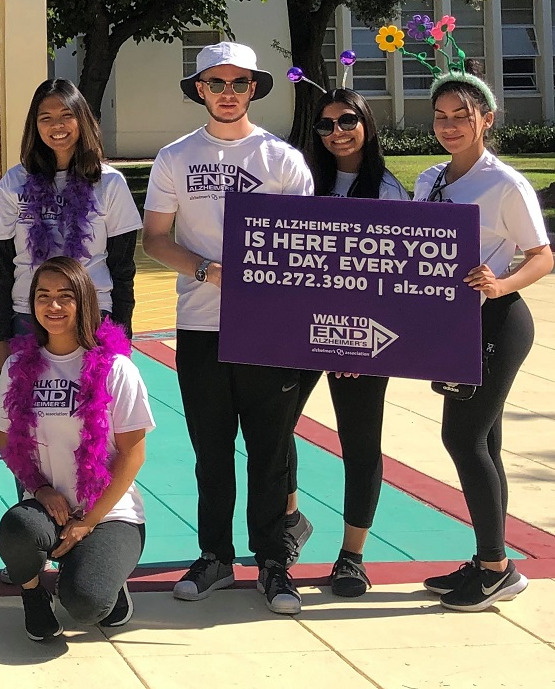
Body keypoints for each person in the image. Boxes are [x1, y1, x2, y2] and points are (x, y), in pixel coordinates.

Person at [141, 40, 314, 614]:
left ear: (254, 89)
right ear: (199, 90)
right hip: (200, 325)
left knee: (270, 451)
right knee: (211, 452)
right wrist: (207, 270)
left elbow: (306, 244)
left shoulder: (282, 159)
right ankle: (215, 556)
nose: (228, 93)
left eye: (240, 83)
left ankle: (273, 563)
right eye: (216, 83)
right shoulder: (174, 157)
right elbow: (156, 238)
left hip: (269, 329)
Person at [415, 72, 549, 610]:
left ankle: (495, 569)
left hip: (497, 323)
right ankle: (491, 560)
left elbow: (542, 255)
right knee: (484, 444)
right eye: (441, 117)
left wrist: (502, 284)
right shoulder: (430, 179)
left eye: (461, 116)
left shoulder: (505, 184)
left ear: (486, 120)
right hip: (452, 324)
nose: (449, 126)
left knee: (463, 438)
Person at [0, 258, 153, 642]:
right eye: (43, 296)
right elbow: (7, 441)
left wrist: (89, 521)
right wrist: (40, 489)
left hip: (109, 513)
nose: (54, 306)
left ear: (84, 302)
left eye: (65, 296)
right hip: (50, 506)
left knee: (86, 603)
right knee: (16, 528)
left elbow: (133, 453)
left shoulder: (116, 368)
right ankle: (33, 594)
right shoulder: (18, 366)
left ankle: (100, 575)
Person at [288, 87, 408, 597]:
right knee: (273, 429)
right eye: (325, 124)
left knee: (360, 444)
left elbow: (398, 276)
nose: (336, 132)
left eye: (347, 121)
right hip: (302, 330)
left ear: (366, 124)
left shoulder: (387, 189)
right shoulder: (301, 181)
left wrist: (357, 342)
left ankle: (352, 556)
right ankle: (291, 521)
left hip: (363, 338)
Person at [0, 79, 142, 378]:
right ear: (35, 126)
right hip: (28, 316)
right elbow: (1, 265)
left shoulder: (110, 183)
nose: (56, 125)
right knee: (31, 405)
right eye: (45, 118)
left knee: (93, 404)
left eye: (66, 115)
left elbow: (123, 268)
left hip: (93, 315)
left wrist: (123, 334)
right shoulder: (14, 182)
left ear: (81, 119)